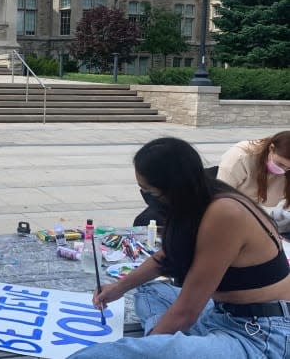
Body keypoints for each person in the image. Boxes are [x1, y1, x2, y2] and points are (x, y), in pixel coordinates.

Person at [67, 137, 290, 359]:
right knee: (150, 291)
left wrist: (150, 348)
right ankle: (173, 342)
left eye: (151, 192)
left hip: (260, 335)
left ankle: (169, 343)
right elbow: (167, 256)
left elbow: (186, 312)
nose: (147, 197)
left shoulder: (225, 213)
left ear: (172, 187)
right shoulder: (204, 197)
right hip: (220, 314)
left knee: (122, 352)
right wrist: (119, 288)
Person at [217, 131, 290, 233]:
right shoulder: (241, 157)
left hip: (252, 209)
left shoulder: (286, 170)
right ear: (271, 148)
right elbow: (220, 198)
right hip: (230, 205)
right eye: (280, 164)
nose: (283, 170)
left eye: (288, 168)